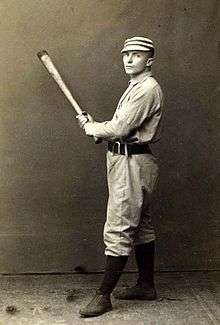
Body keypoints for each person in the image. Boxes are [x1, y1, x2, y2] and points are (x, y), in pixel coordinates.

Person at [77, 36, 164, 317]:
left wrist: (95, 128)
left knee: (119, 226)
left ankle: (104, 297)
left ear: (149, 60)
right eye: (126, 54)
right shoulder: (136, 86)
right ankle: (146, 285)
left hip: (132, 162)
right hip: (130, 158)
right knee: (141, 226)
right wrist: (97, 127)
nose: (128, 59)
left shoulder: (146, 89)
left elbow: (119, 128)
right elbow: (119, 130)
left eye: (136, 55)